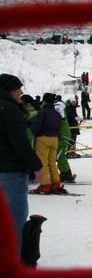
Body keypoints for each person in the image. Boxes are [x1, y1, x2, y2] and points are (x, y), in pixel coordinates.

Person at [0, 74, 43, 256]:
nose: (21, 92)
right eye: (19, 88)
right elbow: (19, 142)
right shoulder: (9, 109)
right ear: (9, 89)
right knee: (14, 220)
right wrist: (36, 165)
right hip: (10, 171)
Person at [31, 93, 67, 194]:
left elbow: (36, 126)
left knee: (43, 162)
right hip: (54, 139)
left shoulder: (43, 112)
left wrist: (35, 131)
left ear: (44, 101)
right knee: (52, 162)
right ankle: (56, 182)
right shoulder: (57, 113)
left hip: (43, 138)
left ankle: (45, 184)